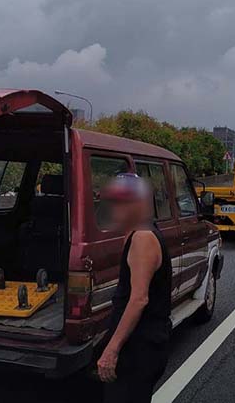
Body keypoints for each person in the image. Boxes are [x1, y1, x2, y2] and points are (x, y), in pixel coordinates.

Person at [97, 173, 172, 403]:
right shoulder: (136, 233)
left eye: (122, 202)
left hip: (140, 347)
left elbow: (139, 299)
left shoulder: (143, 238)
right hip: (141, 344)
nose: (114, 208)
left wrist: (111, 350)